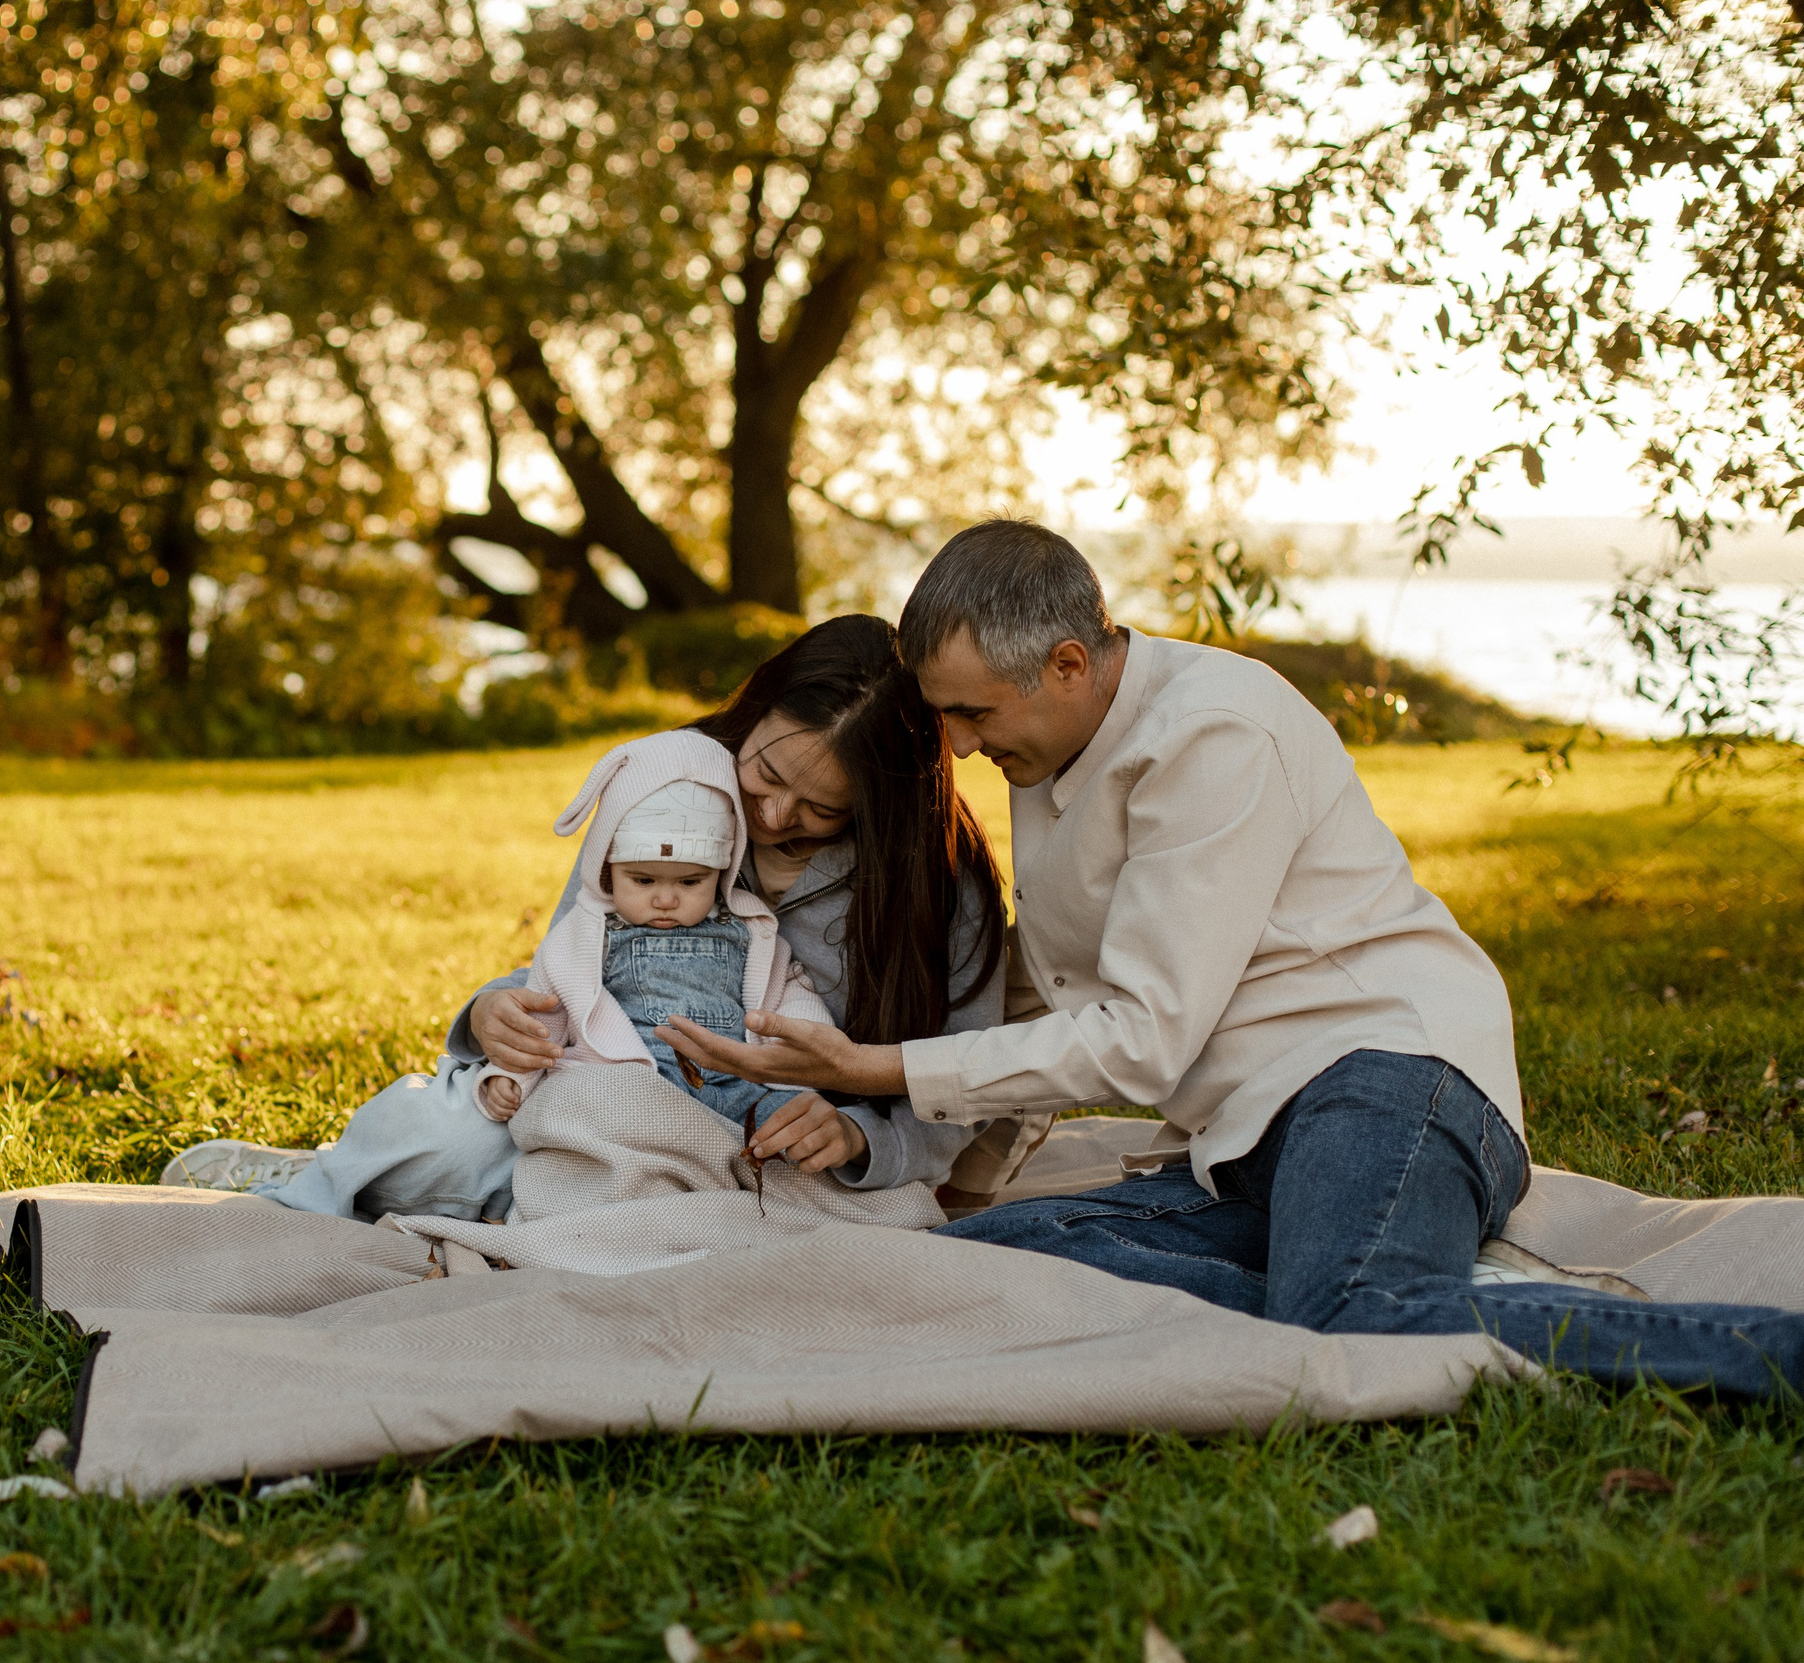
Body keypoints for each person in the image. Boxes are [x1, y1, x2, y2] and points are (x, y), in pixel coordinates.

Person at [668, 519, 1804, 1398]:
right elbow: (1049, 994)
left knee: (1362, 1321)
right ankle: (1417, 1282)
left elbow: (1141, 1035)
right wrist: (970, 1186)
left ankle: (1764, 1354)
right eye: (943, 715)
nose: (955, 746)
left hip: (1384, 1077)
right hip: (1239, 1147)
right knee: (997, 1254)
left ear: (1068, 662)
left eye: (971, 713)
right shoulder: (1048, 754)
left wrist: (877, 1071)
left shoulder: (1214, 733)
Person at [161, 614, 1020, 1219]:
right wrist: (491, 1013)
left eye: (820, 808)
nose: (772, 814)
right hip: (599, 1083)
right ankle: (332, 1177)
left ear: (883, 805)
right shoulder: (672, 786)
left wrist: (859, 1138)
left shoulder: (941, 889)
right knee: (458, 1142)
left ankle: (388, 1187)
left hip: (765, 1142)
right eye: (765, 775)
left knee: (842, 1227)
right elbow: (583, 951)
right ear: (752, 712)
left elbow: (960, 1090)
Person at [472, 731, 834, 1133]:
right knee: (568, 1105)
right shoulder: (586, 935)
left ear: (722, 873)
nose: (666, 899)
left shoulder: (751, 932)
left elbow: (786, 992)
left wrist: (805, 1052)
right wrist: (513, 1076)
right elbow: (547, 1017)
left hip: (735, 1084)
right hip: (626, 1081)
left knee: (791, 1131)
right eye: (643, 881)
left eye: (691, 883)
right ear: (609, 870)